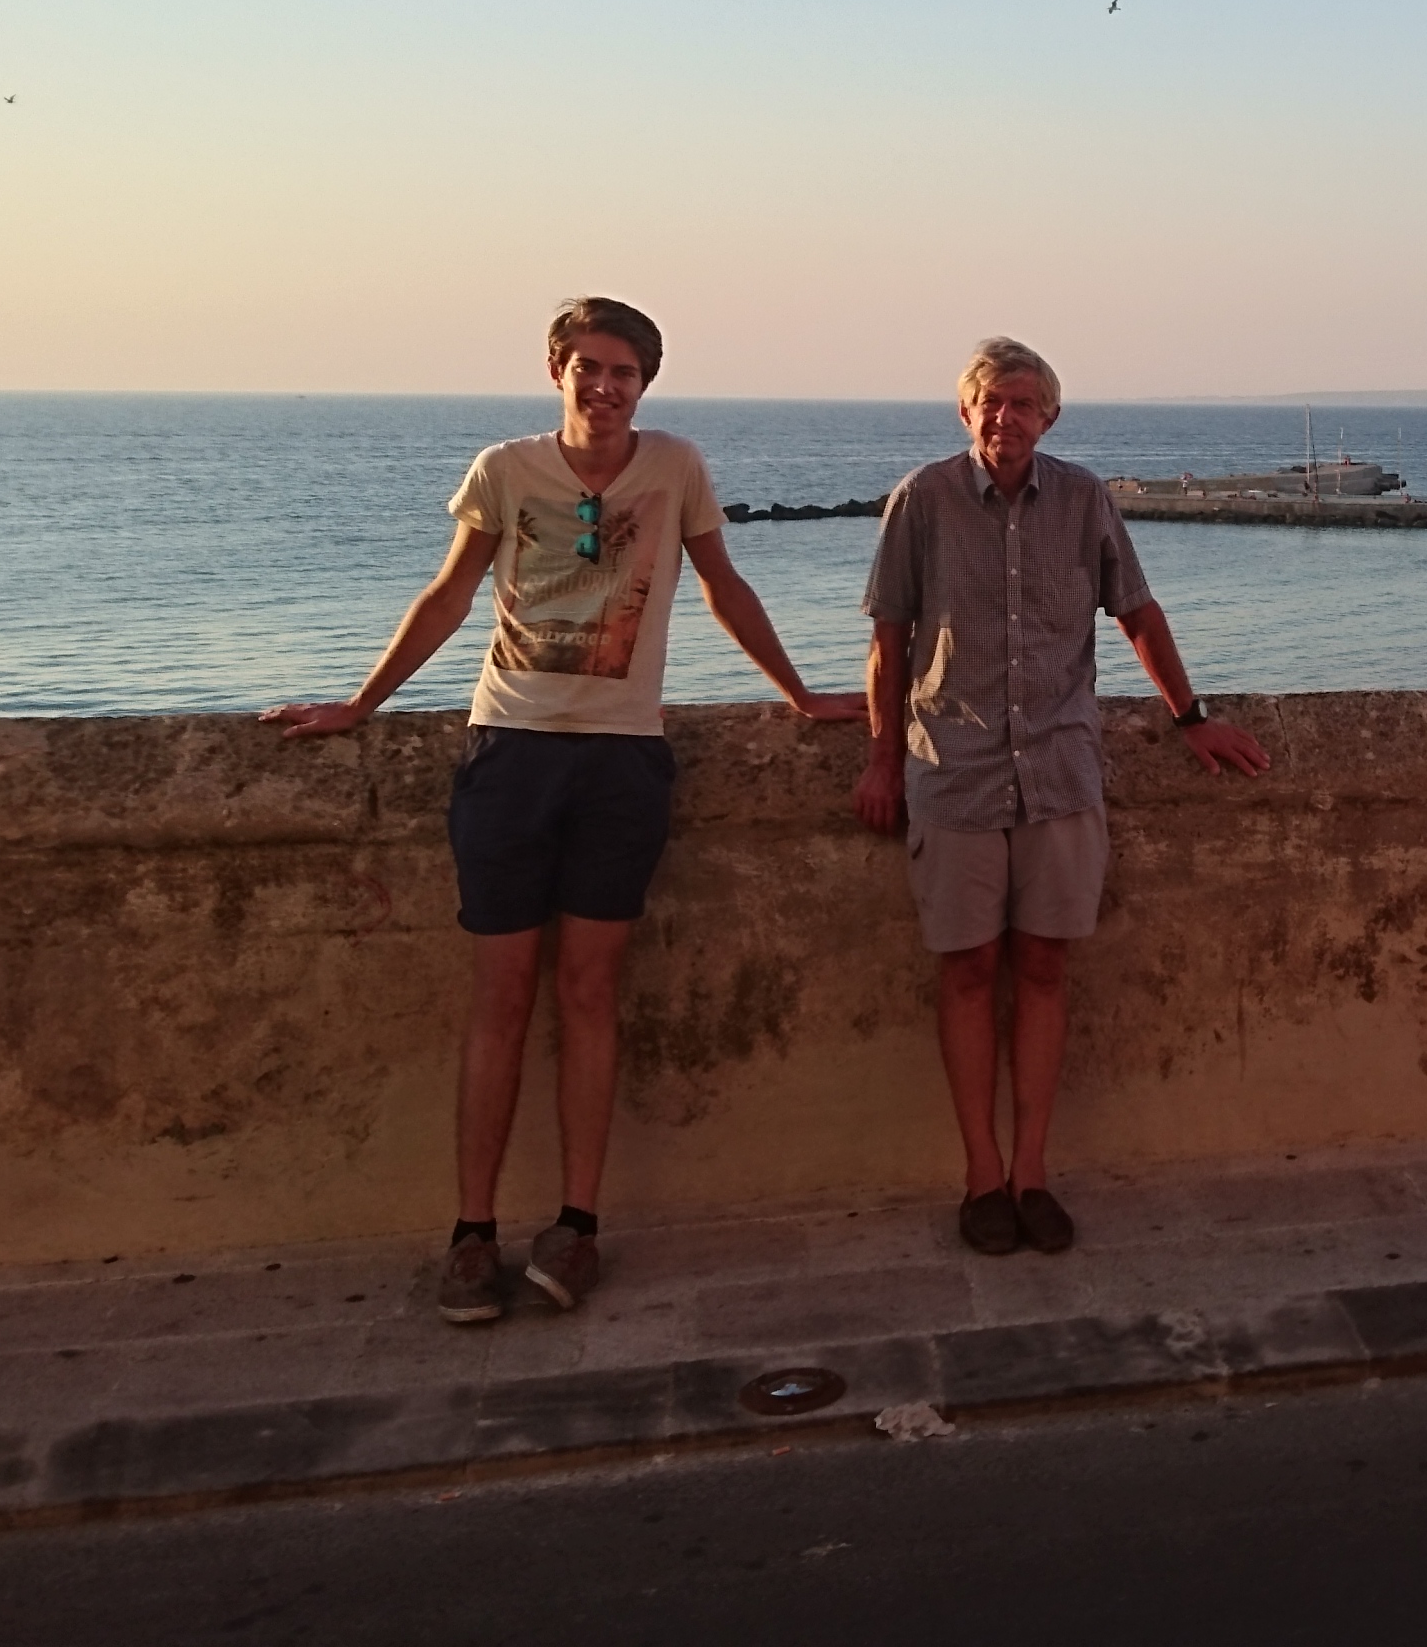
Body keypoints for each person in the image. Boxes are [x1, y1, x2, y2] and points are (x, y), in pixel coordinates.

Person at [264, 297, 862, 1325]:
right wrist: (361, 704)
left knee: (589, 992)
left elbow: (722, 585)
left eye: (624, 371)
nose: (605, 385)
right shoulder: (504, 470)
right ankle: (472, 1235)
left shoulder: (674, 467)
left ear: (645, 383)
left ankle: (578, 1226)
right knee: (500, 998)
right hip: (512, 752)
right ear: (557, 372)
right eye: (588, 366)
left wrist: (801, 694)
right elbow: (449, 595)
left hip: (622, 761)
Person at [855, 338, 1270, 1257]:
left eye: (1023, 402)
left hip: (1058, 770)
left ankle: (1032, 1171)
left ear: (1050, 416)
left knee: (1043, 968)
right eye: (990, 402)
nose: (1006, 417)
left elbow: (1137, 613)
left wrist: (1192, 717)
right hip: (954, 769)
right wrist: (882, 760)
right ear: (966, 412)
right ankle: (981, 1175)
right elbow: (889, 638)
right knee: (968, 971)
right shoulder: (922, 500)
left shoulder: (1085, 500)